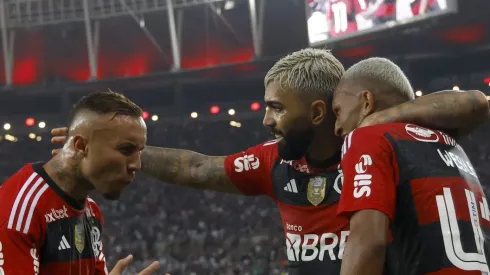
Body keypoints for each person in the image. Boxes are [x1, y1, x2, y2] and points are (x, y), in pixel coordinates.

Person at [51, 49, 489, 275]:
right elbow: (197, 168)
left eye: (277, 108)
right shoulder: (276, 164)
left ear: (319, 113)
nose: (266, 120)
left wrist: (375, 122)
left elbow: (472, 104)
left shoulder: (377, 148)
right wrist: (125, 151)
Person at [332, 57, 490, 275]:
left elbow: (368, 243)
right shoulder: (449, 143)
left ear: (366, 102)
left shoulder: (366, 137)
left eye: (337, 111)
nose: (337, 128)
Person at [0, 91, 160, 275]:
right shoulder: (18, 212)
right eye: (126, 149)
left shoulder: (91, 210)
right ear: (81, 146)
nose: (137, 165)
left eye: (139, 152)